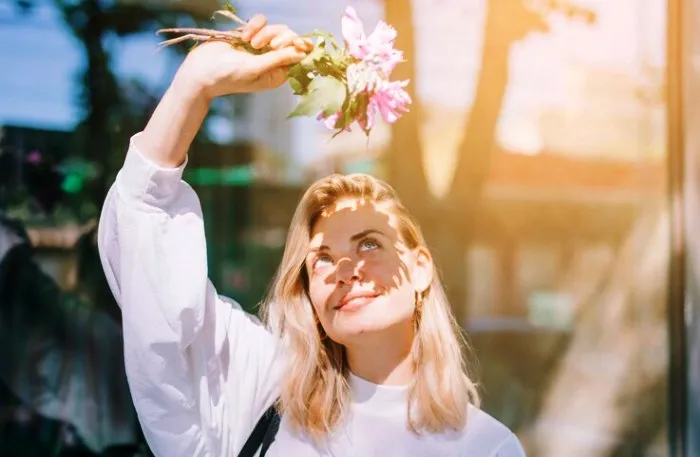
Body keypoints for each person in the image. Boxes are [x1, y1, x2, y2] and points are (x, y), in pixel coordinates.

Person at [97, 14, 526, 457]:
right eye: (321, 257)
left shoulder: (486, 446)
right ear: (310, 296)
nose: (344, 269)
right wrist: (195, 86)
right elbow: (147, 252)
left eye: (368, 243)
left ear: (420, 269)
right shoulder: (265, 388)